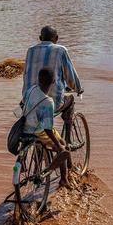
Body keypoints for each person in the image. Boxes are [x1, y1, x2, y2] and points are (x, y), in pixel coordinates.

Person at [22, 26, 83, 165]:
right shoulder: (60, 50)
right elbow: (70, 76)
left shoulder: (30, 51)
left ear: (40, 38)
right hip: (51, 101)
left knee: (38, 127)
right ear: (56, 39)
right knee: (70, 100)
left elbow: (25, 75)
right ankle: (67, 139)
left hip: (28, 100)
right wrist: (78, 88)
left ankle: (37, 159)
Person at [23, 68, 71, 189]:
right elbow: (48, 128)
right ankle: (64, 179)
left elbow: (23, 104)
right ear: (53, 81)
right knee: (63, 145)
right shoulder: (48, 102)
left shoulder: (31, 89)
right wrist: (58, 146)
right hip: (38, 132)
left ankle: (37, 167)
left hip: (24, 127)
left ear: (38, 80)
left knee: (57, 142)